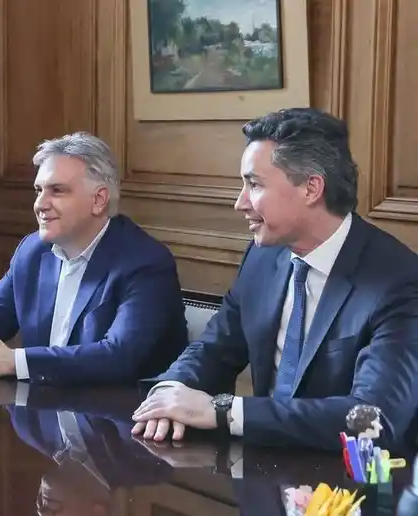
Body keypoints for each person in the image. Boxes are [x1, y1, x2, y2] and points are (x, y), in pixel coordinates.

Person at [132, 107, 418, 454]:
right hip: (262, 477)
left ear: (311, 188)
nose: (240, 203)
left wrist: (223, 411)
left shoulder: (400, 282)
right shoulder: (263, 258)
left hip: (349, 489)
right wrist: (169, 391)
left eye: (254, 184)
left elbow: (374, 419)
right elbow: (214, 349)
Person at [0, 132, 187, 385]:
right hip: (44, 410)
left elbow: (119, 357)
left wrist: (11, 361)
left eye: (57, 191)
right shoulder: (33, 250)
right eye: (39, 190)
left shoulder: (145, 262)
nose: (40, 204)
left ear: (99, 199)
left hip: (121, 415)